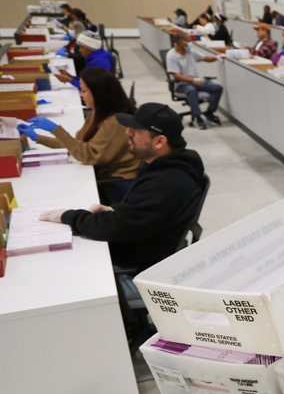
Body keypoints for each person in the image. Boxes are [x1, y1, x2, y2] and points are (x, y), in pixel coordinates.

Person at [38, 103, 206, 272]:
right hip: (142, 238)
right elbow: (139, 212)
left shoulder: (167, 183)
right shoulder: (161, 164)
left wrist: (69, 217)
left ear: (159, 142)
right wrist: (114, 210)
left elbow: (116, 227)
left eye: (137, 131)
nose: (127, 132)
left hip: (144, 259)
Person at [18, 68, 139, 201]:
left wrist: (56, 129)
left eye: (84, 91)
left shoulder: (113, 122)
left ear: (99, 93)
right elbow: (75, 145)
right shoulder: (97, 113)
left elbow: (87, 155)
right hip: (103, 176)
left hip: (117, 185)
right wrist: (37, 137)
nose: (81, 95)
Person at [165, 32, 224, 129]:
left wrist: (217, 57)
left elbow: (205, 58)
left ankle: (209, 113)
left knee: (217, 88)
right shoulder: (172, 55)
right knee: (191, 90)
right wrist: (193, 80)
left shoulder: (190, 51)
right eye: (188, 41)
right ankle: (198, 118)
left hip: (195, 81)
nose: (190, 43)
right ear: (180, 42)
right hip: (182, 84)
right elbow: (175, 76)